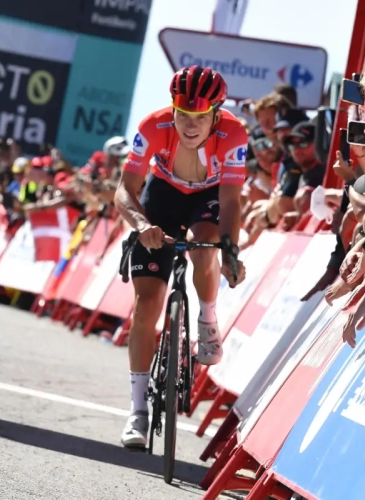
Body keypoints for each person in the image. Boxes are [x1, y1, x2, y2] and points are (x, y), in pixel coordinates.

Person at [114, 65, 248, 449]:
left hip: (207, 197)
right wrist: (141, 224)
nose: (190, 126)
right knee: (147, 305)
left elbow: (230, 199)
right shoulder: (152, 127)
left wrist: (231, 250)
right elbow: (125, 190)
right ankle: (137, 411)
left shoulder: (234, 134)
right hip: (162, 196)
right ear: (172, 110)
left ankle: (207, 316)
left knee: (205, 246)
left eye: (200, 118)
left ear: (216, 116)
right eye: (183, 116)